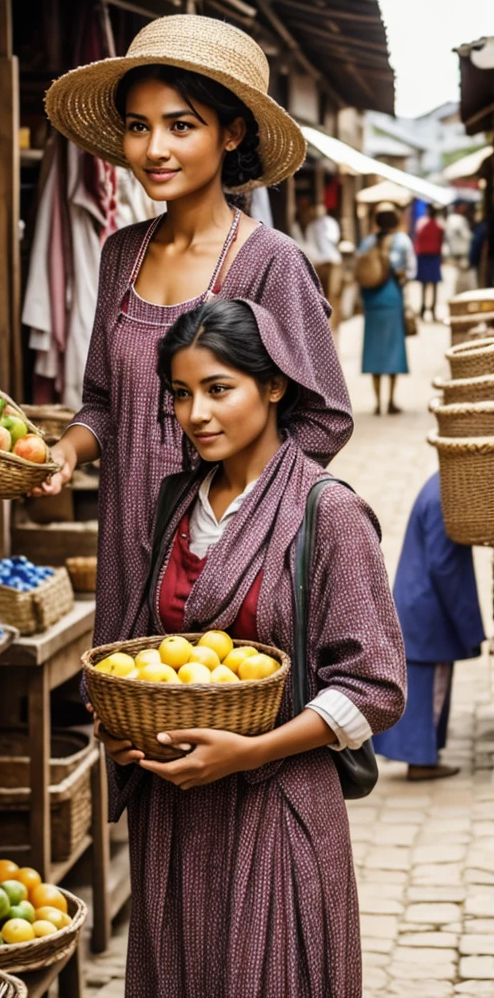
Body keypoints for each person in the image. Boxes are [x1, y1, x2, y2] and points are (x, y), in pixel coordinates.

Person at [92, 299, 405, 998]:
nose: (195, 414)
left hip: (276, 808)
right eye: (180, 393)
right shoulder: (177, 504)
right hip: (175, 815)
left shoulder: (327, 512)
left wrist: (249, 751)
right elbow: (152, 654)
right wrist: (125, 734)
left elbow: (375, 688)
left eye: (218, 388)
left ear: (275, 385)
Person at [42, 14, 353, 647]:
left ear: (231, 133)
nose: (154, 148)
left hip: (229, 561)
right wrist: (66, 452)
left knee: (218, 718)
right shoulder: (120, 253)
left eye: (181, 125)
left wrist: (234, 515)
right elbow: (103, 401)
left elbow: (325, 417)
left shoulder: (270, 262)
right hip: (129, 544)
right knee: (133, 712)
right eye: (138, 126)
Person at [374, 472, 484, 780]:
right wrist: (470, 628)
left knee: (423, 684)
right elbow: (445, 567)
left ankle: (420, 754)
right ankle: (421, 759)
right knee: (429, 685)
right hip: (429, 606)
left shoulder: (440, 486)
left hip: (418, 599)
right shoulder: (447, 498)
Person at [358, 202, 416, 416]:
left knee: (373, 350)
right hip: (392, 298)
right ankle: (391, 400)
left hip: (372, 301)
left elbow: (360, 270)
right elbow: (410, 271)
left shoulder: (367, 242)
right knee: (393, 350)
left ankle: (377, 402)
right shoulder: (402, 241)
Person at [291, 194, 344, 338]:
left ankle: (332, 336)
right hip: (311, 268)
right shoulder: (295, 227)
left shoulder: (323, 224)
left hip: (328, 265)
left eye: (306, 207)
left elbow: (331, 241)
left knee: (331, 303)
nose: (304, 211)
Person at [414, 203, 444, 321]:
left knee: (424, 285)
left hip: (425, 257)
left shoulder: (422, 224)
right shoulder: (439, 226)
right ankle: (431, 309)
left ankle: (425, 309)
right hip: (432, 257)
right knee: (433, 285)